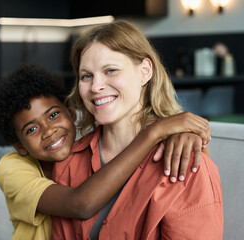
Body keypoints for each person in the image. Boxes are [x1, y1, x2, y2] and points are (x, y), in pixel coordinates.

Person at [0, 63, 211, 240]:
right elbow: (81, 204)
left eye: (53, 115)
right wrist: (154, 133)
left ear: (70, 112)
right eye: (32, 129)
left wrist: (181, 134)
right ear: (18, 145)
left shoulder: (90, 146)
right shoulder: (11, 168)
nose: (49, 131)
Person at [51, 20, 223, 239]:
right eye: (86, 76)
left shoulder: (184, 159)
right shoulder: (68, 162)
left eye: (111, 70)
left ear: (144, 71)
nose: (95, 87)